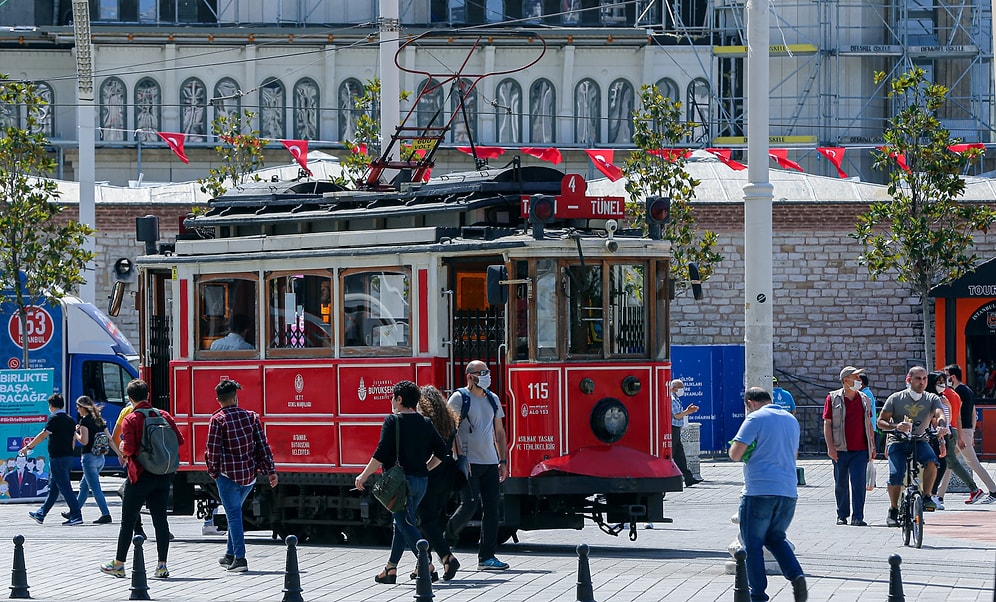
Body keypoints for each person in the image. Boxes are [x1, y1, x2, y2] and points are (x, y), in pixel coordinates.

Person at [355, 380, 449, 584]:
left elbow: (380, 454)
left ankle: (427, 562)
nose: (391, 400)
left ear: (399, 399)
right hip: (421, 482)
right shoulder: (425, 422)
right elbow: (442, 451)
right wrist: (426, 468)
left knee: (405, 522)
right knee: (402, 522)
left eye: (392, 397)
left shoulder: (392, 421)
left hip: (399, 485)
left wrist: (363, 475)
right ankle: (390, 569)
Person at [729, 387, 807, 602]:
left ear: (750, 402)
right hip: (788, 491)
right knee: (775, 538)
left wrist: (748, 451)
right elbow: (794, 454)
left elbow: (735, 454)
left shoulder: (755, 418)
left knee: (752, 543)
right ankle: (796, 575)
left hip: (759, 490)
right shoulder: (791, 421)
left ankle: (758, 594)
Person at [100, 379, 184, 580]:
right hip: (163, 475)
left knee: (127, 522)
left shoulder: (132, 418)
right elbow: (179, 440)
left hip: (139, 476)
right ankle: (162, 566)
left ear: (130, 398)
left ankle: (119, 564)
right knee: (160, 520)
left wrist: (122, 448)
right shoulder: (163, 415)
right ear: (148, 395)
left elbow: (128, 449)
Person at [206, 379, 278, 573]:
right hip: (248, 476)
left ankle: (240, 558)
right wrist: (270, 471)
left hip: (227, 475)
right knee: (234, 513)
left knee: (234, 515)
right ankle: (230, 554)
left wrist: (213, 471)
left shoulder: (217, 420)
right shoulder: (251, 417)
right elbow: (263, 446)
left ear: (218, 400)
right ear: (235, 397)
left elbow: (212, 451)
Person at [444, 361, 511, 571]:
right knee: (469, 504)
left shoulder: (493, 399)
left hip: (490, 462)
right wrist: (460, 457)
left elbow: (499, 432)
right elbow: (449, 430)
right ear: (470, 376)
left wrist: (503, 461)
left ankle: (487, 557)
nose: (486, 375)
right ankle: (445, 539)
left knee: (492, 510)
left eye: (487, 372)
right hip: (469, 463)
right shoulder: (459, 398)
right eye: (482, 372)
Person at [877, 366, 946, 527]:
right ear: (909, 380)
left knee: (932, 461)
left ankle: (927, 496)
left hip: (920, 439)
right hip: (898, 440)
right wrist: (895, 426)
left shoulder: (931, 398)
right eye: (918, 378)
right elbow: (881, 422)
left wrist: (942, 426)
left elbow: (939, 414)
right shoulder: (896, 398)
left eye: (924, 379)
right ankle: (893, 509)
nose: (921, 382)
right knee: (896, 474)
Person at [416, 385, 461, 581]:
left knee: (425, 521)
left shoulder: (426, 423)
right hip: (446, 477)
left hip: (429, 476)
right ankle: (424, 566)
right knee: (430, 521)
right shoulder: (449, 420)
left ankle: (446, 557)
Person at [822, 366, 876, 526]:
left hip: (860, 449)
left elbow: (869, 423)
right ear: (846, 380)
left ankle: (858, 516)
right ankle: (842, 514)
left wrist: (872, 446)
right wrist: (830, 447)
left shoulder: (864, 398)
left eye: (859, 378)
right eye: (856, 377)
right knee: (841, 483)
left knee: (859, 483)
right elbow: (827, 423)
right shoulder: (832, 398)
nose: (859, 381)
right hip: (840, 448)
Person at [22, 394, 83, 525]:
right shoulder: (69, 419)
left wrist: (28, 447)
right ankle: (41, 513)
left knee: (65, 487)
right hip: (67, 457)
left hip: (58, 458)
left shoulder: (54, 418)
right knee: (54, 488)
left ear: (51, 406)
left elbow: (43, 435)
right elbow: (73, 439)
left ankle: (76, 515)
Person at [943, 364, 996, 503]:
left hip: (961, 432)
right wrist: (971, 432)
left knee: (971, 463)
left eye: (946, 376)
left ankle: (993, 491)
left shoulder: (957, 392)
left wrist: (961, 436)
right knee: (951, 462)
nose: (944, 380)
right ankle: (939, 495)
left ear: (952, 377)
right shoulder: (968, 390)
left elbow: (958, 415)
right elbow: (974, 413)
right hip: (966, 431)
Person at [927, 372, 979, 509]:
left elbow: (953, 416)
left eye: (943, 380)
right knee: (945, 463)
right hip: (937, 434)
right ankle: (934, 495)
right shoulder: (935, 397)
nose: (942, 384)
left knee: (947, 463)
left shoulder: (947, 396)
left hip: (947, 432)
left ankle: (934, 494)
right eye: (938, 382)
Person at [73, 396, 115, 524]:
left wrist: (76, 433)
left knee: (95, 488)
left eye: (78, 407)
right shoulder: (99, 419)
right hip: (100, 458)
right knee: (84, 486)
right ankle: (74, 511)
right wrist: (119, 454)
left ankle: (105, 514)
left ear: (83, 407)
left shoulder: (85, 421)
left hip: (89, 458)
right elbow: (110, 438)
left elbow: (84, 441)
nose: (77, 410)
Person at [670, 379, 702, 487]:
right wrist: (688, 412)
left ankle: (688, 478)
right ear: (673, 388)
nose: (682, 390)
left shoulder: (676, 398)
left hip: (676, 428)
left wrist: (687, 410)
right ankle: (671, 478)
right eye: (680, 387)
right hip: (672, 428)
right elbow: (677, 415)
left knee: (679, 455)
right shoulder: (672, 399)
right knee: (672, 454)